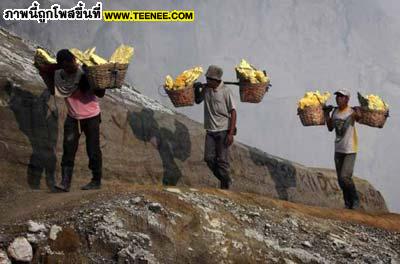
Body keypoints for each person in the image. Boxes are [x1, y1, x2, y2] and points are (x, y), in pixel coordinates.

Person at [39, 49, 105, 192]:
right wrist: (44, 73)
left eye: (70, 63)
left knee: (93, 149)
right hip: (73, 117)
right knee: (68, 149)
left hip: (91, 116)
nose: (69, 67)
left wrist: (95, 80)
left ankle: (96, 180)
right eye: (65, 65)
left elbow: (100, 93)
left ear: (75, 60)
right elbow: (52, 90)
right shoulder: (59, 75)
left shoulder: (85, 74)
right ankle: (65, 182)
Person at [194, 65, 237, 189]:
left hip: (223, 130)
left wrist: (230, 133)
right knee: (208, 158)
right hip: (210, 130)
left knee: (222, 160)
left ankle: (225, 186)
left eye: (209, 79)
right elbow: (198, 100)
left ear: (216, 80)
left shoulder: (226, 91)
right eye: (206, 79)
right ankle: (225, 179)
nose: (207, 81)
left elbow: (233, 112)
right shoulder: (206, 89)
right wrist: (197, 89)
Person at [324, 89, 361, 209]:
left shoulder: (351, 111)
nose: (338, 98)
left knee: (345, 176)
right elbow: (330, 128)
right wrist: (326, 114)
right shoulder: (335, 112)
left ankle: (355, 199)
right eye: (337, 96)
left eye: (341, 96)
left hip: (350, 149)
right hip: (338, 149)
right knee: (340, 179)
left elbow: (359, 118)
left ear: (347, 99)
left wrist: (359, 111)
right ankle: (347, 203)